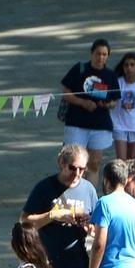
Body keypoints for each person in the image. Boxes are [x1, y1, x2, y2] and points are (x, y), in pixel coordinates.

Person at [20, 148, 98, 268]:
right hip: (46, 262)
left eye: (82, 169)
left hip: (75, 262)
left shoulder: (88, 189)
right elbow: (25, 221)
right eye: (73, 168)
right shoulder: (45, 187)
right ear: (61, 163)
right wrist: (53, 215)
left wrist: (89, 227)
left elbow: (96, 225)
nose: (77, 174)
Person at [57, 38, 117, 177]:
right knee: (72, 162)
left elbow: (115, 100)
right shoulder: (80, 68)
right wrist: (82, 102)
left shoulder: (110, 75)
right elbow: (66, 93)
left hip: (100, 124)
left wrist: (108, 104)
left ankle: (89, 196)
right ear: (91, 53)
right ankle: (69, 191)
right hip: (77, 123)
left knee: (94, 163)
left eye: (104, 54)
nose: (100, 57)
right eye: (98, 53)